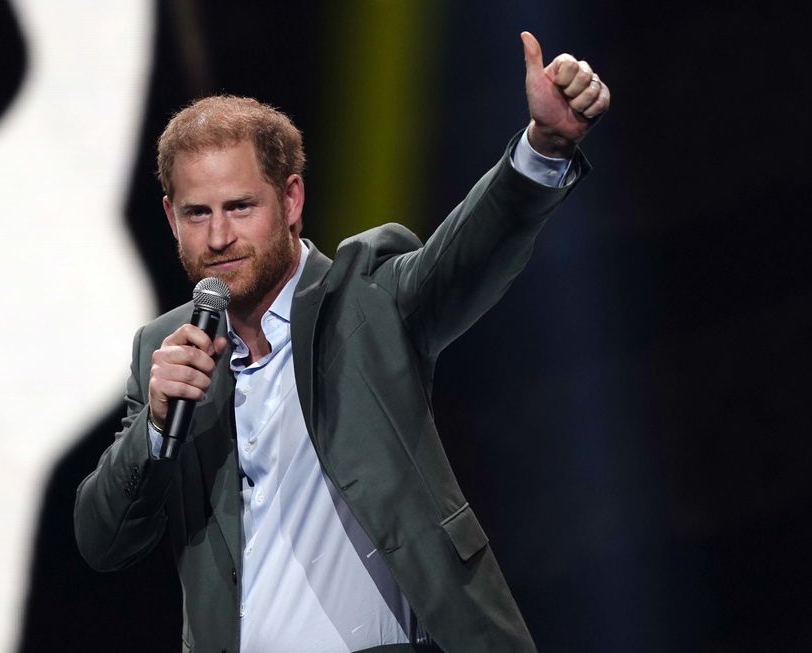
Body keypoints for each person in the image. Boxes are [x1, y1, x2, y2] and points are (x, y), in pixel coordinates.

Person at [75, 31, 610, 653]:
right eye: (198, 213)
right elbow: (103, 540)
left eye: (241, 206)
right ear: (171, 218)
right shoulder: (166, 349)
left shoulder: (366, 293)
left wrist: (543, 147)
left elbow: (470, 254)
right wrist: (153, 428)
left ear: (291, 199)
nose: (219, 236)